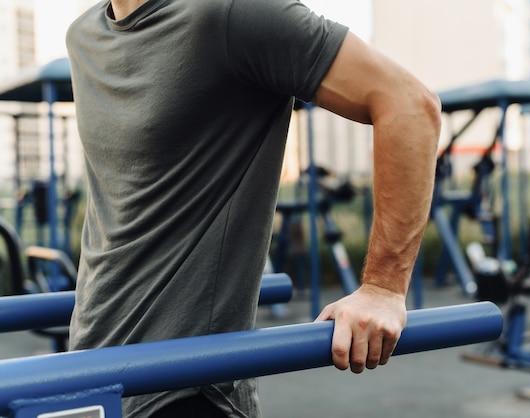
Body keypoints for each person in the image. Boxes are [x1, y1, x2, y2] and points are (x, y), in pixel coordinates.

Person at [65, 0, 441, 416]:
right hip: (88, 364)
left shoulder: (232, 13)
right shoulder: (83, 35)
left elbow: (409, 104)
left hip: (182, 389)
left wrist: (383, 288)